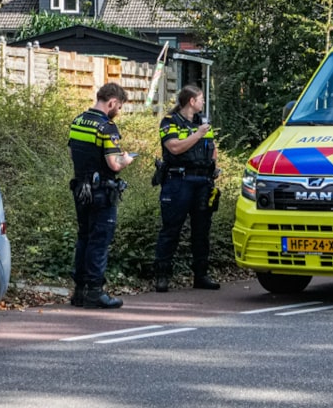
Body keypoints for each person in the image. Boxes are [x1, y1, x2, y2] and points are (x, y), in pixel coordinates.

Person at [68, 82, 137, 309]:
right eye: (120, 106)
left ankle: (79, 291)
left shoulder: (77, 121)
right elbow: (114, 164)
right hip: (101, 192)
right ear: (112, 102)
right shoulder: (106, 127)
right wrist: (126, 159)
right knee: (99, 241)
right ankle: (95, 292)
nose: (119, 111)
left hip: (80, 188)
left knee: (84, 238)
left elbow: (72, 152)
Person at [154, 85, 220, 292]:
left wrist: (215, 168)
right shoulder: (170, 122)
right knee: (171, 229)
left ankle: (201, 275)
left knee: (202, 232)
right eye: (200, 99)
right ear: (191, 101)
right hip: (179, 181)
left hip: (202, 182)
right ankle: (162, 276)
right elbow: (174, 147)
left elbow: (213, 148)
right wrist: (198, 134)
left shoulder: (203, 123)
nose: (203, 103)